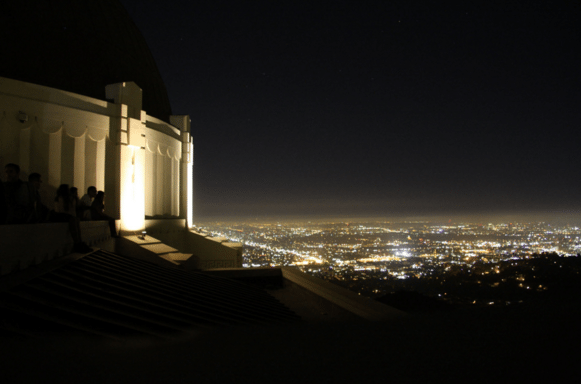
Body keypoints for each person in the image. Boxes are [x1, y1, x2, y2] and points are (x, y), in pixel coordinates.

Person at [51, 184, 92, 253]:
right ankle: (77, 242)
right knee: (74, 220)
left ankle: (79, 242)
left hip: (66, 216)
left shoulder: (69, 199)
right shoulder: (61, 198)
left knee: (76, 220)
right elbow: (58, 211)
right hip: (61, 216)